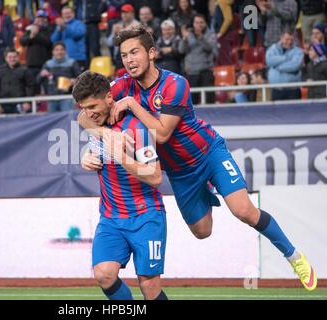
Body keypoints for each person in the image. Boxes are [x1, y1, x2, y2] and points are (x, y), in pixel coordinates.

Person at [78, 26, 317, 291]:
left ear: (152, 53)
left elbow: (163, 133)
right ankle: (207, 190)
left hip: (208, 154)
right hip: (180, 173)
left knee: (243, 211)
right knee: (203, 232)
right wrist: (102, 135)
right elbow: (84, 114)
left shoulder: (175, 84)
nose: (129, 60)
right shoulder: (122, 85)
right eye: (124, 55)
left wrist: (132, 105)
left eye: (134, 52)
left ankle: (294, 256)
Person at [73, 70, 168, 300]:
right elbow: (86, 129)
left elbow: (155, 177)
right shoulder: (97, 127)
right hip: (111, 218)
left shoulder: (137, 128)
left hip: (146, 216)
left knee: (149, 285)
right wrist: (86, 158)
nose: (89, 113)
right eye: (84, 107)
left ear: (109, 97)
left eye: (93, 106)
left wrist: (122, 157)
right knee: (104, 274)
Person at [37, 41, 80, 112]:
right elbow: (37, 80)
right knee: (53, 122)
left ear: (65, 51)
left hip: (67, 98)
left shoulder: (72, 62)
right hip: (51, 98)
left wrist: (74, 81)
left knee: (69, 121)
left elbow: (81, 79)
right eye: (56, 50)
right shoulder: (48, 64)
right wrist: (41, 74)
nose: (59, 52)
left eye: (61, 50)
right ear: (53, 52)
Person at [0, 48, 35, 114]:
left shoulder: (24, 70)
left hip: (20, 104)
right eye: (10, 57)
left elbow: (31, 86)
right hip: (4, 105)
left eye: (14, 57)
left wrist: (27, 102)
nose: (12, 59)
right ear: (6, 58)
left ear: (18, 57)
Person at [265, 30, 304, 101]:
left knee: (294, 112)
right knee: (277, 112)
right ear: (281, 38)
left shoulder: (298, 51)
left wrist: (276, 66)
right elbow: (269, 61)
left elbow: (295, 66)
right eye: (287, 39)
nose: (289, 42)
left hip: (293, 90)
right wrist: (285, 58)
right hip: (276, 90)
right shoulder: (273, 49)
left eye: (291, 40)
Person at [50, 6, 87, 71]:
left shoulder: (79, 24)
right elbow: (53, 41)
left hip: (78, 58)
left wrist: (65, 27)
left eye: (68, 13)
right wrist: (58, 30)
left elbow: (77, 35)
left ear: (73, 14)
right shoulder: (60, 26)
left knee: (79, 79)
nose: (67, 15)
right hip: (64, 59)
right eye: (64, 14)